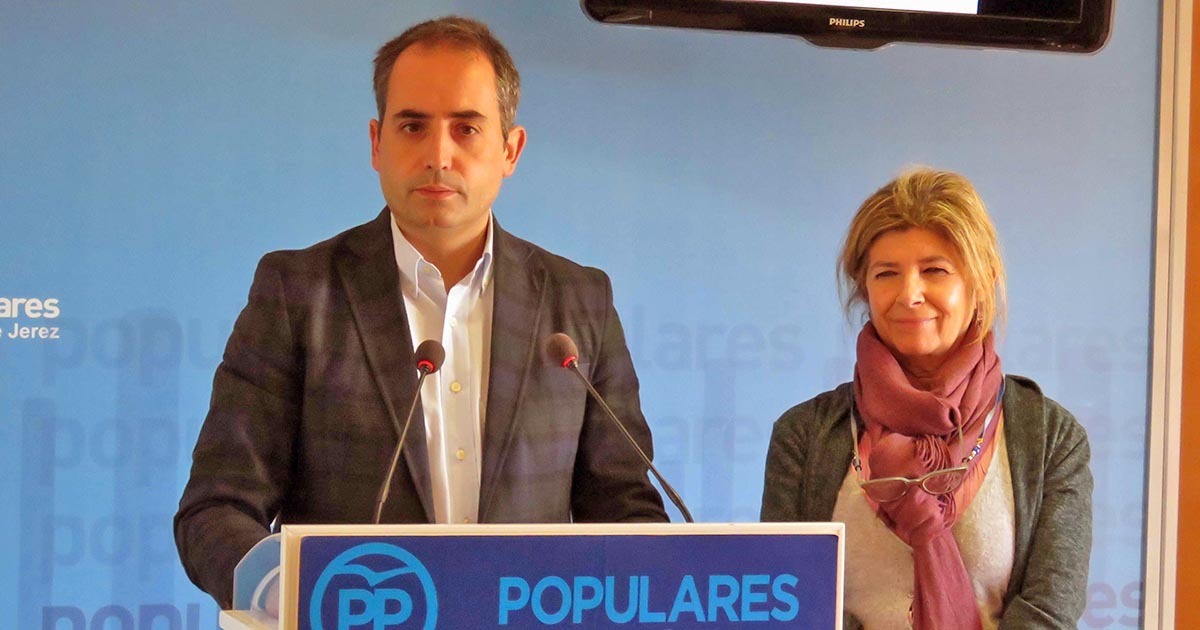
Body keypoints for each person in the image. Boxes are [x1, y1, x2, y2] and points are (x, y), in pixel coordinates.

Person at [175, 15, 667, 608]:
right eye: (413, 126)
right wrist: (295, 595)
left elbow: (624, 509)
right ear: (377, 144)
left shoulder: (579, 301)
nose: (438, 155)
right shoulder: (298, 294)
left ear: (510, 150)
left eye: (467, 128)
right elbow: (217, 508)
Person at [760, 168, 1092, 629]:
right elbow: (791, 602)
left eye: (935, 270)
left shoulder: (1052, 438)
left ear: (981, 281)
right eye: (886, 274)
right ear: (864, 288)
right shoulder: (804, 435)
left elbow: (1049, 611)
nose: (909, 294)